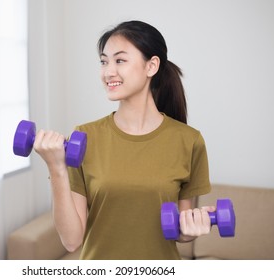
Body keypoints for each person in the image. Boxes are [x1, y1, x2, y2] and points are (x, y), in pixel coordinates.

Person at [33, 20, 214, 260]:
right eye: (104, 61)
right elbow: (72, 240)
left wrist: (192, 230)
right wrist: (56, 168)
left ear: (151, 66)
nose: (108, 72)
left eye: (120, 60)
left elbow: (179, 230)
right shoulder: (84, 137)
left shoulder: (189, 141)